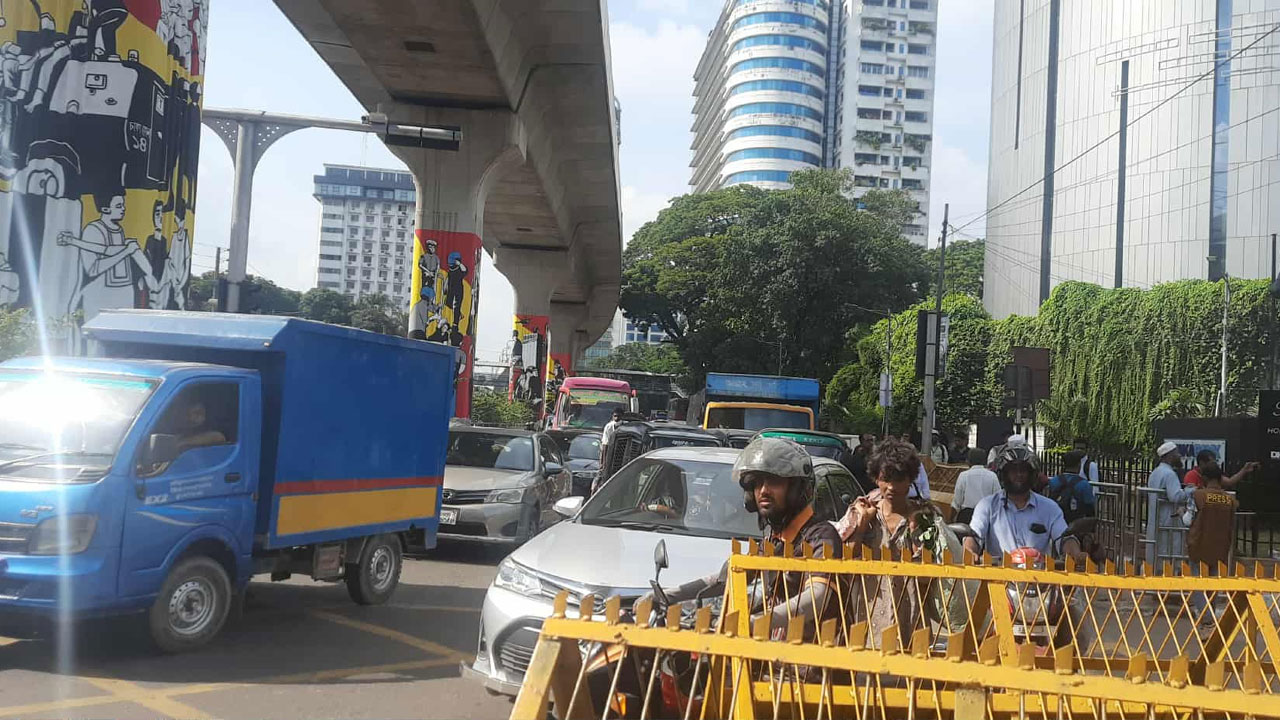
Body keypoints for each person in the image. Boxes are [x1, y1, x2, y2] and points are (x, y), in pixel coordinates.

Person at [637, 437, 841, 643]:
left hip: (815, 663)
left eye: (774, 482)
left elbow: (818, 596)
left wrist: (753, 622)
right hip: (776, 658)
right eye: (758, 483)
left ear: (798, 489)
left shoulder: (821, 537)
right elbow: (727, 578)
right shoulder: (775, 540)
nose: (763, 491)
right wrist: (667, 595)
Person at [838, 438, 964, 646]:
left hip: (911, 616)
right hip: (870, 614)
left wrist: (916, 535)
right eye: (886, 479)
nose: (891, 487)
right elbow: (844, 561)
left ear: (911, 479)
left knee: (910, 674)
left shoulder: (924, 517)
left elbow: (927, 577)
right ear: (876, 478)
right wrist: (861, 526)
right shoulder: (861, 512)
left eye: (899, 479)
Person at [964, 445, 1086, 564]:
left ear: (1032, 474)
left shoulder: (1050, 508)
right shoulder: (987, 506)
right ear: (1004, 474)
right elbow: (974, 536)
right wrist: (969, 551)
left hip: (1040, 581)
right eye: (1013, 471)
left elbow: (1064, 538)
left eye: (1023, 470)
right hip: (997, 581)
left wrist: (1075, 553)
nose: (1019, 475)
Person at [1183, 463, 1238, 622]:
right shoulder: (1229, 499)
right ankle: (1210, 614)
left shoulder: (1198, 496)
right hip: (1220, 546)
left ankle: (1207, 618)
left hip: (1199, 544)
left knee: (1198, 582)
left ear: (1204, 478)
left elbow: (1188, 520)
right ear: (1220, 478)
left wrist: (1181, 513)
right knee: (1213, 583)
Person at [1147, 441, 1192, 568]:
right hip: (1168, 520)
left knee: (1157, 552)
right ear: (1169, 456)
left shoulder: (1156, 472)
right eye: (1176, 453)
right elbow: (1175, 496)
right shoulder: (1169, 474)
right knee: (1169, 552)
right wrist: (1190, 491)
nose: (1179, 456)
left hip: (1157, 518)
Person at [1046, 450, 1097, 523]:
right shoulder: (1084, 484)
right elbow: (1089, 507)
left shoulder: (1054, 480)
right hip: (1075, 523)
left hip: (1056, 519)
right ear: (1079, 464)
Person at [951, 447, 1000, 524]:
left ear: (968, 461)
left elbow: (956, 502)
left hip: (966, 517)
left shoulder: (963, 476)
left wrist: (951, 519)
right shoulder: (992, 476)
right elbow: (998, 501)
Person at [1183, 448, 1259, 489]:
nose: (1214, 465)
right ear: (1202, 462)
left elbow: (1230, 482)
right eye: (1211, 463)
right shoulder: (1191, 475)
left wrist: (1244, 470)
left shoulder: (1213, 473)